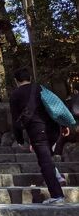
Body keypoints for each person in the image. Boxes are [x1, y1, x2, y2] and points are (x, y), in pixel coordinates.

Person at [10, 67, 66, 204]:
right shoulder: (41, 89)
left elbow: (15, 120)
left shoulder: (15, 94)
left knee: (45, 162)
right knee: (47, 157)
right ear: (30, 78)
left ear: (16, 81)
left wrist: (19, 139)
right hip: (53, 129)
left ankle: (57, 195)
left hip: (37, 131)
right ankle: (57, 176)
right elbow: (55, 106)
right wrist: (63, 125)